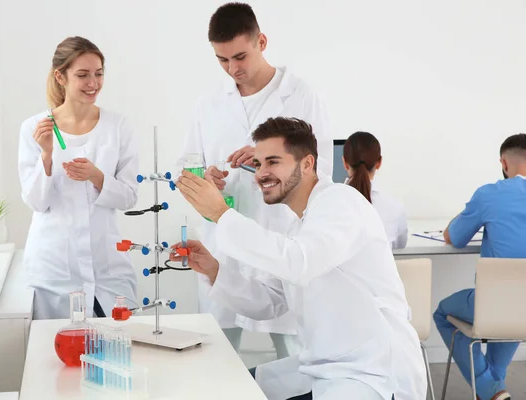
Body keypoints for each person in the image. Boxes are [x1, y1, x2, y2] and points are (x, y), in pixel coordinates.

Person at [173, 117, 426, 399]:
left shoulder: (341, 201)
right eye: (257, 164)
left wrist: (221, 214)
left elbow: (299, 263)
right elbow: (271, 300)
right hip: (324, 368)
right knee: (229, 389)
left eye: (273, 162)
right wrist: (214, 270)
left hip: (370, 374)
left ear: (307, 164)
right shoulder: (298, 223)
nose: (260, 174)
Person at [177, 1, 332, 358]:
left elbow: (320, 174)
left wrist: (266, 163)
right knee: (216, 352)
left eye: (240, 57)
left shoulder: (302, 96)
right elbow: (187, 167)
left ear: (261, 41)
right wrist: (206, 177)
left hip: (280, 240)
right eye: (222, 60)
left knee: (294, 355)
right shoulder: (208, 103)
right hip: (225, 243)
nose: (233, 69)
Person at [18, 36, 139, 320]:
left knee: (118, 350)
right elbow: (36, 202)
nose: (93, 83)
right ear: (60, 76)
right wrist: (46, 156)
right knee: (58, 358)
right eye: (82, 75)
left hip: (107, 265)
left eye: (98, 74)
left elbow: (130, 196)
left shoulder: (117, 126)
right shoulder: (34, 128)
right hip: (55, 269)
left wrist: (97, 176)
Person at [434, 134, 526, 400]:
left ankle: (489, 389)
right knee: (512, 312)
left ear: (504, 164)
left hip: (496, 304)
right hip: (523, 309)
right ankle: (493, 390)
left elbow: (454, 237)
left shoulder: (489, 194)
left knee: (443, 314)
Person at [342, 131, 408, 249]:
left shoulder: (327, 203)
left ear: (345, 163)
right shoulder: (395, 207)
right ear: (379, 163)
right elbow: (399, 249)